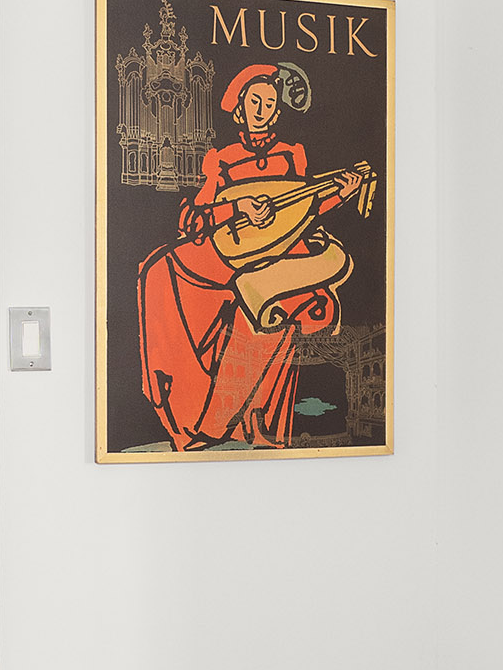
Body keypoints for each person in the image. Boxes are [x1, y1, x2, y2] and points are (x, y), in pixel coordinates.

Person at [136, 61, 372, 448]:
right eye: (254, 101)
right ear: (240, 108)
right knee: (160, 270)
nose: (262, 109)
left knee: (267, 307)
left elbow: (301, 212)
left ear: (277, 111)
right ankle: (197, 415)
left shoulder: (291, 155)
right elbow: (191, 220)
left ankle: (236, 426)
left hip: (278, 254)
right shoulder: (221, 159)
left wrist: (341, 194)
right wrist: (237, 208)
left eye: (269, 102)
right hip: (230, 255)